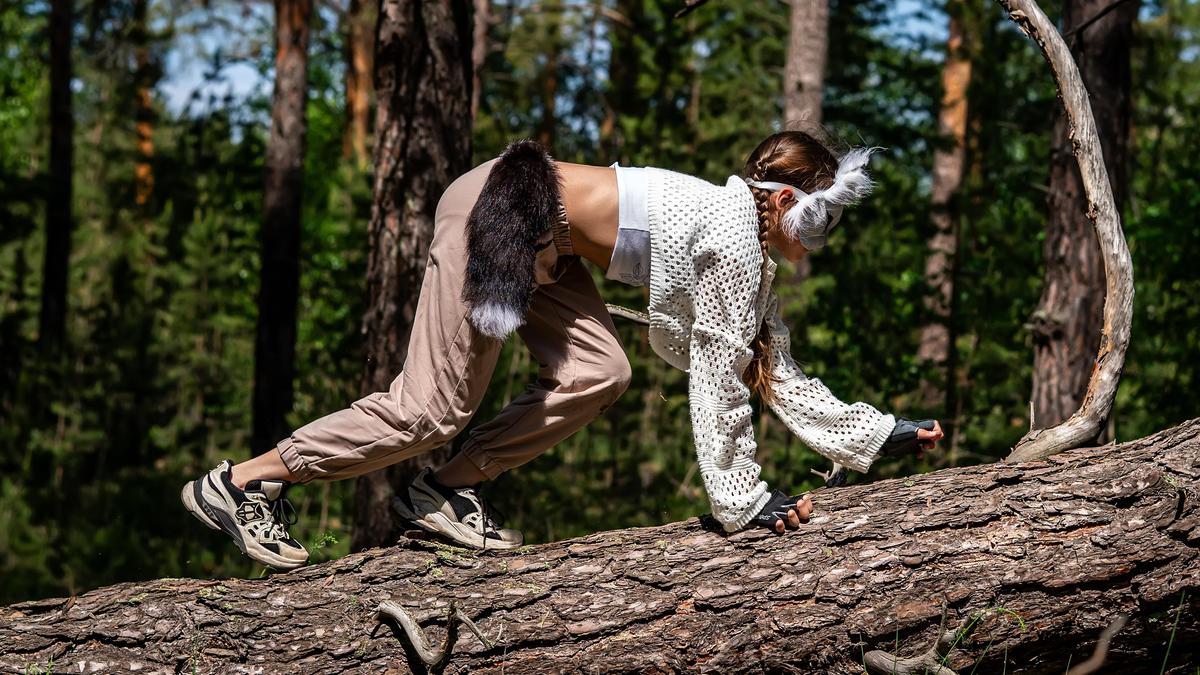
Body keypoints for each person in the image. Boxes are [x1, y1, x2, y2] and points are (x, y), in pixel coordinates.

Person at [181, 131, 944, 570]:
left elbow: (763, 361)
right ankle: (242, 482)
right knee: (433, 407)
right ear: (785, 202)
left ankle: (443, 492)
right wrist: (742, 501)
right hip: (502, 212)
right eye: (823, 221)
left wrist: (876, 432)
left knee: (599, 372)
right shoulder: (733, 234)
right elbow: (720, 378)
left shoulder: (742, 237)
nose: (822, 240)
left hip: (551, 241)